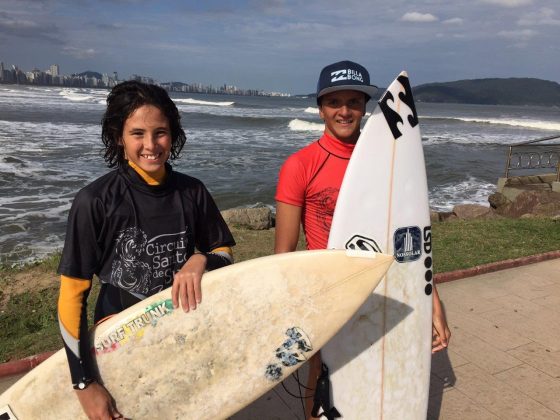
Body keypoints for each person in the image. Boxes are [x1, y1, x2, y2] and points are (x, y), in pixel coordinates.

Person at [274, 60, 451, 418]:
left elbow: (409, 238)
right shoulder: (300, 165)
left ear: (366, 107)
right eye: (334, 102)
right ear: (320, 107)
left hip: (385, 288)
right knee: (324, 374)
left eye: (354, 102)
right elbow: (283, 253)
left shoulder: (386, 165)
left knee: (378, 369)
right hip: (329, 291)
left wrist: (432, 301)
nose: (344, 111)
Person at [57, 80, 236, 419]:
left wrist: (201, 259)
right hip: (118, 348)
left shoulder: (192, 192)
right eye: (137, 133)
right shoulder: (94, 201)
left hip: (184, 336)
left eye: (161, 132)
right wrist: (84, 383)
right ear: (118, 137)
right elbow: (72, 293)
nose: (151, 145)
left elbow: (224, 253)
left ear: (174, 134)